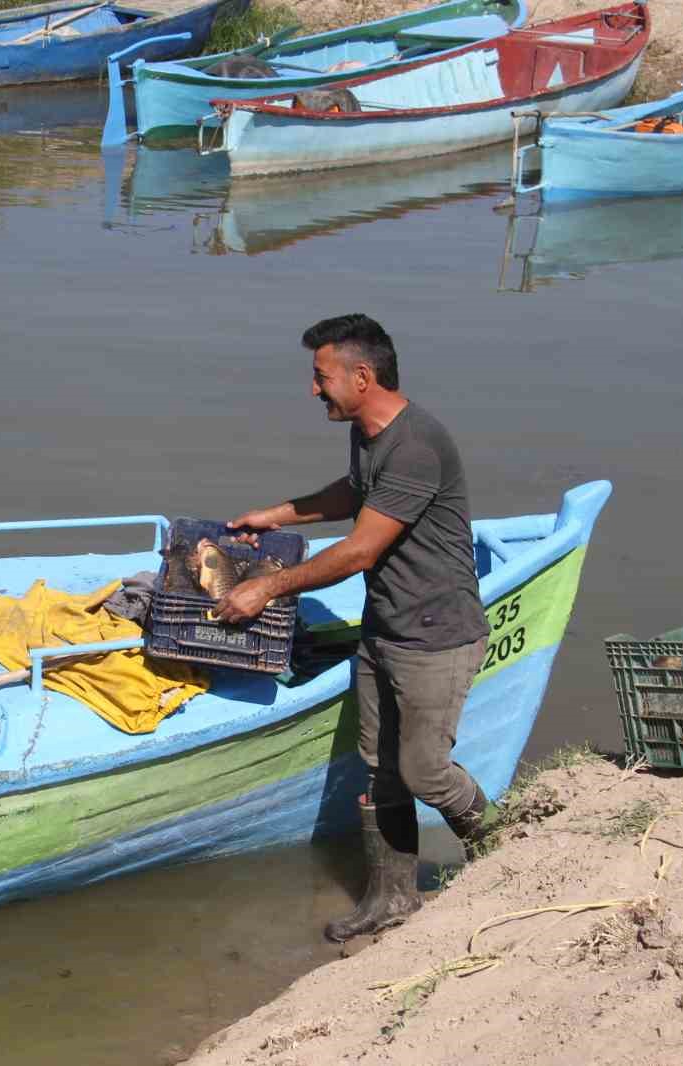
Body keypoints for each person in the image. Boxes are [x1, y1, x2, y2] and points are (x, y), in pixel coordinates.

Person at [214, 313, 492, 942]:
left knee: (424, 772)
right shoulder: (370, 434)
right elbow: (353, 492)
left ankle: (513, 849)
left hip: (435, 635)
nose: (314, 391)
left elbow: (361, 550)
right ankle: (392, 900)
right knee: (381, 770)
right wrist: (277, 513)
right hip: (384, 629)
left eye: (321, 378)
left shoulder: (416, 445)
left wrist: (266, 585)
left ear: (362, 376)